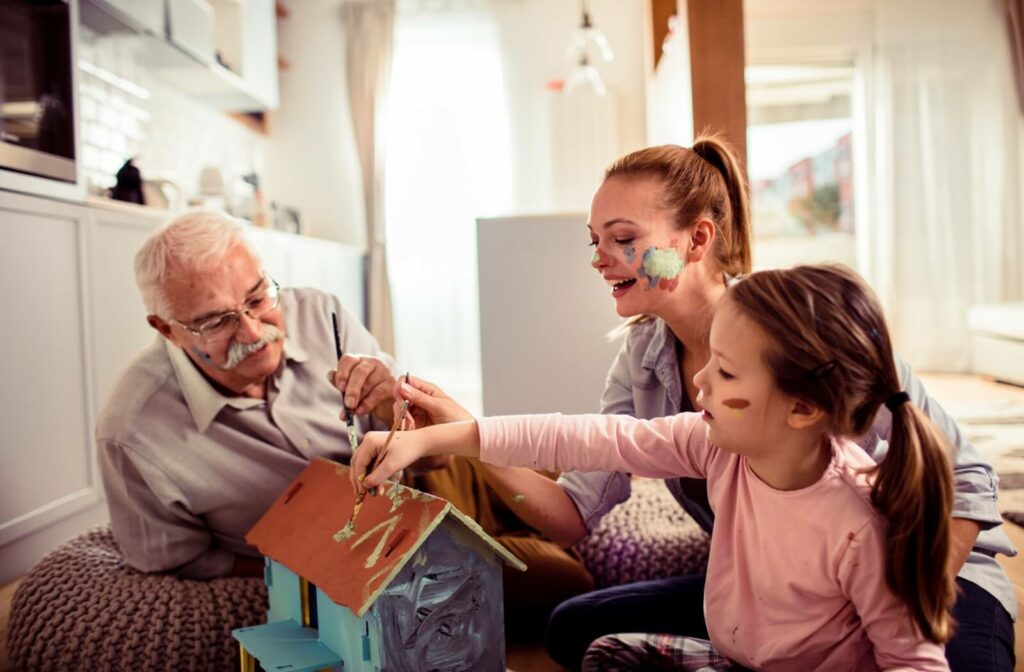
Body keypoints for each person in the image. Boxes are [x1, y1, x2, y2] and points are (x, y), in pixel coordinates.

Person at [372, 139, 1017, 670]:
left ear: (697, 239)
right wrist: (464, 434)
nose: (599, 259)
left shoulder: (801, 337)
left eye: (621, 238)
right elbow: (573, 503)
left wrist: (871, 612)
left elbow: (966, 483)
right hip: (777, 594)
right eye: (593, 239)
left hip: (923, 581)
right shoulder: (643, 362)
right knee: (575, 629)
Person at [352, 264, 958, 671]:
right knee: (607, 652)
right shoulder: (715, 444)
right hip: (731, 659)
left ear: (801, 408)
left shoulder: (858, 522)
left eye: (724, 373)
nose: (699, 382)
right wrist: (438, 438)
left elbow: (914, 660)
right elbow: (587, 437)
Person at [95, 211, 593, 634]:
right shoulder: (134, 434)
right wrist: (315, 568)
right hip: (388, 563)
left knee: (574, 488)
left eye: (257, 298)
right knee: (567, 585)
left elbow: (435, 450)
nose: (254, 330)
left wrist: (393, 407)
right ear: (166, 330)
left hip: (435, 477)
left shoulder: (317, 311)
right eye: (217, 321)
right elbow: (177, 564)